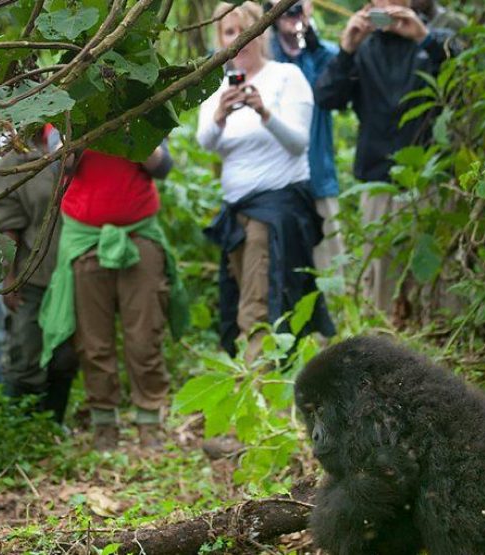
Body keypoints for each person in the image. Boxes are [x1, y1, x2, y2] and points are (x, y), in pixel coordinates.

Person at [197, 1, 335, 362]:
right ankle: (278, 372)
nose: (239, 41)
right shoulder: (216, 87)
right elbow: (205, 141)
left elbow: (298, 142)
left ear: (262, 35)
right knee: (246, 294)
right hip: (236, 210)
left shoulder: (285, 78)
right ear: (220, 39)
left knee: (257, 305)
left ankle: (257, 389)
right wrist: (221, 114)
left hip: (277, 207)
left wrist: (263, 112)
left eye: (247, 32)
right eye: (230, 33)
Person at [314, 0, 459, 321]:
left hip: (431, 176)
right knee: (381, 286)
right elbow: (326, 97)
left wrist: (424, 38)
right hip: (379, 180)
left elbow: (463, 85)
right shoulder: (363, 48)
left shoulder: (439, 38)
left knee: (438, 284)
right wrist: (347, 48)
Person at [38, 141, 187, 451]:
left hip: (140, 233)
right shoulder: (64, 110)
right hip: (85, 237)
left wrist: (132, 132)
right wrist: (81, 134)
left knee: (145, 335)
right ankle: (104, 425)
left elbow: (163, 166)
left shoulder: (141, 103)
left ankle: (149, 423)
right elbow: (58, 167)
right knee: (93, 342)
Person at [0, 125, 79, 425]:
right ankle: (18, 431)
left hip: (74, 274)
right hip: (35, 273)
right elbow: (9, 227)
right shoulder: (15, 163)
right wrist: (10, 275)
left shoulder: (79, 145)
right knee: (26, 353)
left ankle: (53, 425)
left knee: (66, 356)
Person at [267, 0, 345, 277]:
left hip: (318, 179)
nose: (290, 11)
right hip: (274, 185)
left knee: (331, 274)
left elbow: (335, 78)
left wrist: (310, 40)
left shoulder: (324, 56)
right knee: (282, 275)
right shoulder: (263, 57)